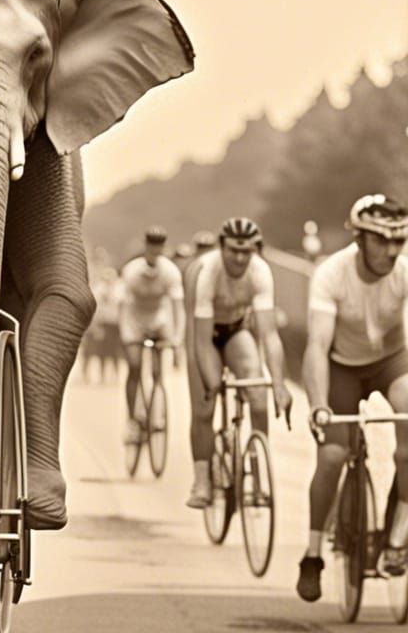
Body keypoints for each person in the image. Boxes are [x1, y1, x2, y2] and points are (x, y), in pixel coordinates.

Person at [298, 194, 408, 600]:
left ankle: (398, 537)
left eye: (400, 241)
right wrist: (317, 403)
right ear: (360, 239)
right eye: (383, 241)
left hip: (392, 362)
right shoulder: (331, 274)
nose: (393, 251)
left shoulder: (404, 271)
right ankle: (312, 556)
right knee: (331, 456)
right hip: (342, 364)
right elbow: (316, 345)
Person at [184, 217, 292, 508]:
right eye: (234, 250)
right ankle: (202, 481)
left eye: (247, 251)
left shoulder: (260, 272)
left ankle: (258, 478)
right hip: (203, 332)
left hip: (235, 329)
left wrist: (279, 385)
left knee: (258, 397)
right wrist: (211, 380)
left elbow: (269, 336)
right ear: (222, 247)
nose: (240, 258)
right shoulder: (208, 271)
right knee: (204, 405)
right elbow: (202, 340)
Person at [119, 227, 185, 444]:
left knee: (157, 372)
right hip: (134, 320)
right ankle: (132, 420)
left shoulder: (171, 272)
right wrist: (126, 336)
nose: (155, 252)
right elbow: (123, 306)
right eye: (151, 247)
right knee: (135, 365)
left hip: (158, 319)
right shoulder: (132, 270)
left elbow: (177, 308)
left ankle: (156, 412)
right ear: (145, 246)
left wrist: (176, 340)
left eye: (159, 248)